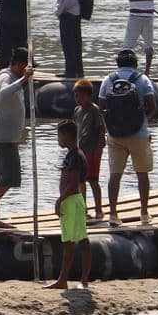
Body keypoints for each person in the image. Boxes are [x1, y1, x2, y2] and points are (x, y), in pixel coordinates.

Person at [100, 50, 157, 225]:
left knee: (115, 175)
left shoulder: (108, 80)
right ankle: (144, 213)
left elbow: (102, 107)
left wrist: (111, 126)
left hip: (115, 135)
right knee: (142, 174)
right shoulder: (143, 80)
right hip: (139, 135)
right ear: (136, 63)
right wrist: (141, 122)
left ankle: (113, 214)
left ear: (117, 63)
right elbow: (152, 107)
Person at [0, 48, 33, 226]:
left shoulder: (14, 78)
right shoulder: (5, 76)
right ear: (19, 65)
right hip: (4, 137)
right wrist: (24, 79)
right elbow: (3, 92)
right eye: (25, 67)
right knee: (10, 176)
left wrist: (23, 79)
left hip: (8, 136)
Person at [46, 120, 92, 290]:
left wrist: (60, 200)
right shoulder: (71, 154)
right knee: (68, 241)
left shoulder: (76, 156)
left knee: (81, 240)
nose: (58, 139)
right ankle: (63, 280)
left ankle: (83, 281)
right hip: (69, 201)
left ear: (66, 136)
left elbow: (73, 184)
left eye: (59, 135)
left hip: (72, 200)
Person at [104, 0, 158, 75]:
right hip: (149, 16)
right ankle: (147, 72)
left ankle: (126, 71)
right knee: (149, 45)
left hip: (135, 16)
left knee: (128, 45)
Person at [71, 79, 106, 218]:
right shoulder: (77, 111)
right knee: (80, 182)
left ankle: (99, 209)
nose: (78, 99)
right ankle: (83, 209)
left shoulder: (94, 110)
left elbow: (101, 130)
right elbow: (74, 129)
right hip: (80, 151)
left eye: (81, 96)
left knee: (93, 181)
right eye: (76, 96)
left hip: (92, 151)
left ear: (89, 96)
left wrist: (99, 150)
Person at [54, 0, 85, 77]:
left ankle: (70, 72)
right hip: (77, 12)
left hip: (67, 13)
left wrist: (59, 10)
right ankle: (79, 71)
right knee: (77, 44)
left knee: (67, 44)